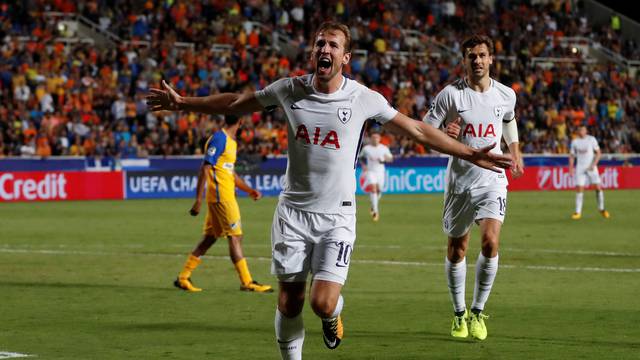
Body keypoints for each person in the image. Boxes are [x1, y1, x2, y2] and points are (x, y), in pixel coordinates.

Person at [147, 22, 512, 359]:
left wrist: (469, 152)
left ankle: (332, 315)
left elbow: (416, 130)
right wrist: (183, 103)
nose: (325, 48)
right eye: (319, 43)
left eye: (333, 45)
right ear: (313, 53)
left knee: (322, 303)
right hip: (292, 213)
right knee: (289, 302)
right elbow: (234, 103)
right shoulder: (289, 89)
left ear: (345, 57)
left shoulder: (362, 98)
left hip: (337, 214)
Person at [423, 34, 524, 341]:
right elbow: (424, 131)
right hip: (460, 181)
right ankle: (459, 314)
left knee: (491, 242)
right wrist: (445, 130)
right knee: (457, 250)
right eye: (472, 56)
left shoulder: (506, 94)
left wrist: (515, 149)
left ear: (491, 59)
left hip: (492, 178)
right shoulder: (451, 95)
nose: (477, 60)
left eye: (482, 55)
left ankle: (478, 311)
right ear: (463, 60)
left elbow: (509, 119)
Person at [174, 115, 273, 293]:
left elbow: (230, 173)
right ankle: (247, 282)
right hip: (222, 197)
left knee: (210, 238)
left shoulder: (230, 142)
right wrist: (198, 199)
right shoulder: (219, 139)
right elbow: (205, 167)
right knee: (235, 236)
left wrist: (249, 190)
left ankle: (183, 277)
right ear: (240, 121)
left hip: (224, 195)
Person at [568, 125, 610, 219]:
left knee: (598, 188)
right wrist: (571, 168)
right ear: (578, 131)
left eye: (582, 129)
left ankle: (602, 209)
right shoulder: (575, 142)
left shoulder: (591, 139)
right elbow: (571, 156)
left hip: (591, 167)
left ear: (586, 131)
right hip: (580, 168)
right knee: (579, 189)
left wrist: (593, 165)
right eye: (579, 130)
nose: (581, 131)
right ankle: (577, 212)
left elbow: (598, 153)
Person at [359, 131, 393, 221]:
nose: (375, 139)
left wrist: (385, 159)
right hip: (370, 172)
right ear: (371, 138)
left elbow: (391, 158)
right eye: (373, 137)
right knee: (373, 188)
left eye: (377, 137)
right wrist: (364, 165)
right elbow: (361, 157)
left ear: (379, 138)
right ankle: (375, 211)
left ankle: (373, 205)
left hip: (380, 172)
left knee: (379, 190)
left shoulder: (384, 148)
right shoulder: (366, 148)